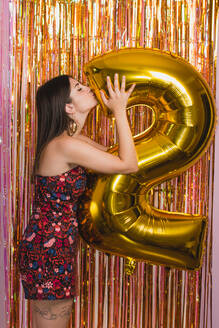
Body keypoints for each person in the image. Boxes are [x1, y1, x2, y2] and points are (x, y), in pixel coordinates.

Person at [18, 73, 138, 328]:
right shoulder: (64, 146)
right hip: (46, 252)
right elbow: (128, 165)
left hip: (56, 248)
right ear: (68, 107)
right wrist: (119, 111)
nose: (88, 89)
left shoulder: (72, 142)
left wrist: (117, 110)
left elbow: (120, 156)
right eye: (79, 88)